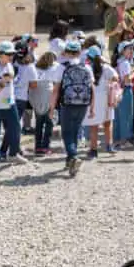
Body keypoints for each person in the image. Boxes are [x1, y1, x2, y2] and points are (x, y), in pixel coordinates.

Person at [50, 40, 96, 177]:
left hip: (67, 104)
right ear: (79, 52)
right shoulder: (87, 67)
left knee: (66, 133)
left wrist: (51, 108)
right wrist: (92, 107)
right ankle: (70, 161)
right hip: (83, 104)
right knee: (75, 131)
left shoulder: (61, 67)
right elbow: (92, 89)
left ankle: (74, 155)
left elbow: (55, 90)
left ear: (66, 52)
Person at [0, 41, 24, 170]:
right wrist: (3, 81)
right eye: (9, 54)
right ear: (1, 54)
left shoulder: (10, 66)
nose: (11, 56)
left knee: (16, 128)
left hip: (9, 103)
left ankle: (13, 153)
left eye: (12, 54)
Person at [84, 45, 118, 158]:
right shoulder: (106, 68)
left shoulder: (87, 67)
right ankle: (109, 146)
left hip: (93, 98)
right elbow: (116, 78)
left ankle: (93, 150)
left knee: (94, 126)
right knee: (107, 124)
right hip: (105, 97)